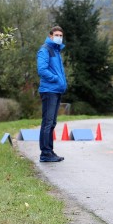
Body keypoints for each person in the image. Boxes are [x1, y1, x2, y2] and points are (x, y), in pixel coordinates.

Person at [37, 25, 67, 163]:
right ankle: (45, 153)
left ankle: (49, 151)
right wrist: (55, 79)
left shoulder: (56, 51)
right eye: (56, 35)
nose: (59, 38)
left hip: (56, 90)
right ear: (50, 36)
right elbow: (42, 70)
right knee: (48, 122)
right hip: (49, 91)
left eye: (61, 35)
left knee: (52, 122)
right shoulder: (45, 50)